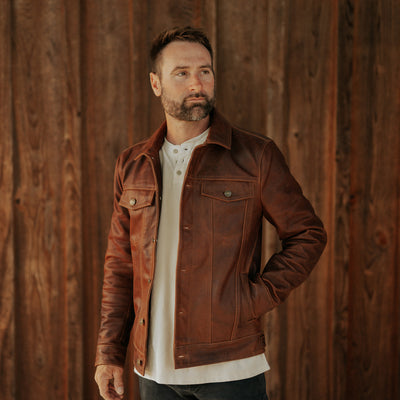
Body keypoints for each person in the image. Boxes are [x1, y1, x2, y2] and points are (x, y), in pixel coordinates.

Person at [94, 26, 327, 400]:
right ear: (156, 83)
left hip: (231, 368)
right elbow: (121, 265)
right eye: (182, 73)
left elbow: (307, 234)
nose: (196, 83)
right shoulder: (133, 164)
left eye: (205, 71)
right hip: (152, 371)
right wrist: (109, 353)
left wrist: (253, 299)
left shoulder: (255, 156)